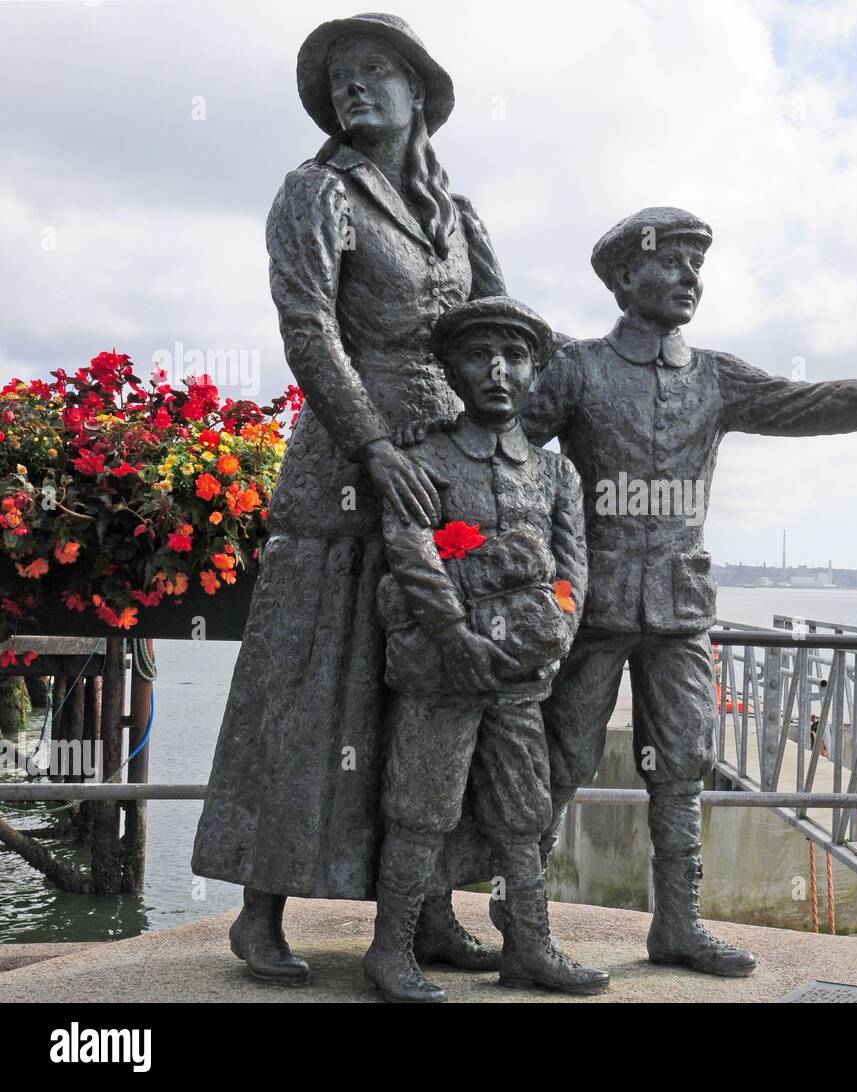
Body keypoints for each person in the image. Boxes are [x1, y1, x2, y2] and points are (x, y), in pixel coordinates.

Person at [520, 207, 857, 978]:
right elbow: (512, 456)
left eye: (696, 267)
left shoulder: (714, 376)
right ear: (622, 278)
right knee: (560, 761)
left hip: (678, 610)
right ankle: (528, 933)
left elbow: (805, 404)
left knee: (682, 765)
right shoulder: (577, 370)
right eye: (671, 262)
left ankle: (677, 925)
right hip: (593, 607)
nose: (688, 279)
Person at [192, 13, 507, 984]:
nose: (351, 88)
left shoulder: (461, 218)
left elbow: (504, 334)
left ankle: (427, 908)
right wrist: (373, 444)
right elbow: (308, 331)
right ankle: (259, 912)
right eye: (338, 78)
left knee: (433, 693)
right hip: (343, 473)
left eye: (372, 71)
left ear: (420, 91)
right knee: (308, 685)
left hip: (446, 472)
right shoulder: (315, 192)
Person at [365, 296, 609, 1002]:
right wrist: (457, 638)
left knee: (525, 812)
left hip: (521, 680)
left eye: (515, 356)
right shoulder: (422, 458)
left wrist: (556, 639)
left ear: (534, 370)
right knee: (420, 808)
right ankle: (391, 950)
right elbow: (411, 555)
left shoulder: (556, 473)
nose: (497, 370)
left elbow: (572, 572)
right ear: (451, 368)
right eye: (478, 355)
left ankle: (529, 946)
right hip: (441, 673)